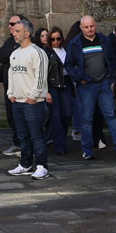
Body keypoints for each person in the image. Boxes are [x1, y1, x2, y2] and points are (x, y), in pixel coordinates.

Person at [64, 15, 116, 161]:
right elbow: (68, 65)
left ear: (96, 26)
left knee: (111, 115)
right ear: (81, 28)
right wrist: (79, 78)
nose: (90, 29)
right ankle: (87, 149)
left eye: (92, 26)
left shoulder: (103, 40)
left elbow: (112, 59)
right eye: (86, 27)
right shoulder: (75, 44)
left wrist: (110, 79)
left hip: (104, 84)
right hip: (86, 86)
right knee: (87, 118)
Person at [6, 18, 51, 179]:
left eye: (17, 31)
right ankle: (25, 164)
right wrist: (10, 94)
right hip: (17, 102)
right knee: (22, 136)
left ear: (27, 33)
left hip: (33, 103)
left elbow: (41, 77)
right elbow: (11, 74)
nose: (14, 34)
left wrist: (33, 97)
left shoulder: (37, 52)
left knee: (36, 136)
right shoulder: (14, 53)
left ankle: (41, 166)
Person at [0, 15, 24, 155]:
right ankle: (17, 143)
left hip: (22, 85)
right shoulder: (10, 40)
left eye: (12, 24)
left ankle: (24, 145)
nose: (10, 26)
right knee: (11, 116)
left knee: (22, 117)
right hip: (9, 85)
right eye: (9, 24)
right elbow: (0, 55)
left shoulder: (25, 41)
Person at [45, 27, 72, 157]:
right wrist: (46, 91)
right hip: (52, 85)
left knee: (67, 114)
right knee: (56, 116)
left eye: (58, 38)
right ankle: (60, 145)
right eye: (53, 39)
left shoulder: (67, 50)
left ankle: (59, 138)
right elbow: (43, 73)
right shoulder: (46, 52)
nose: (56, 41)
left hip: (66, 83)